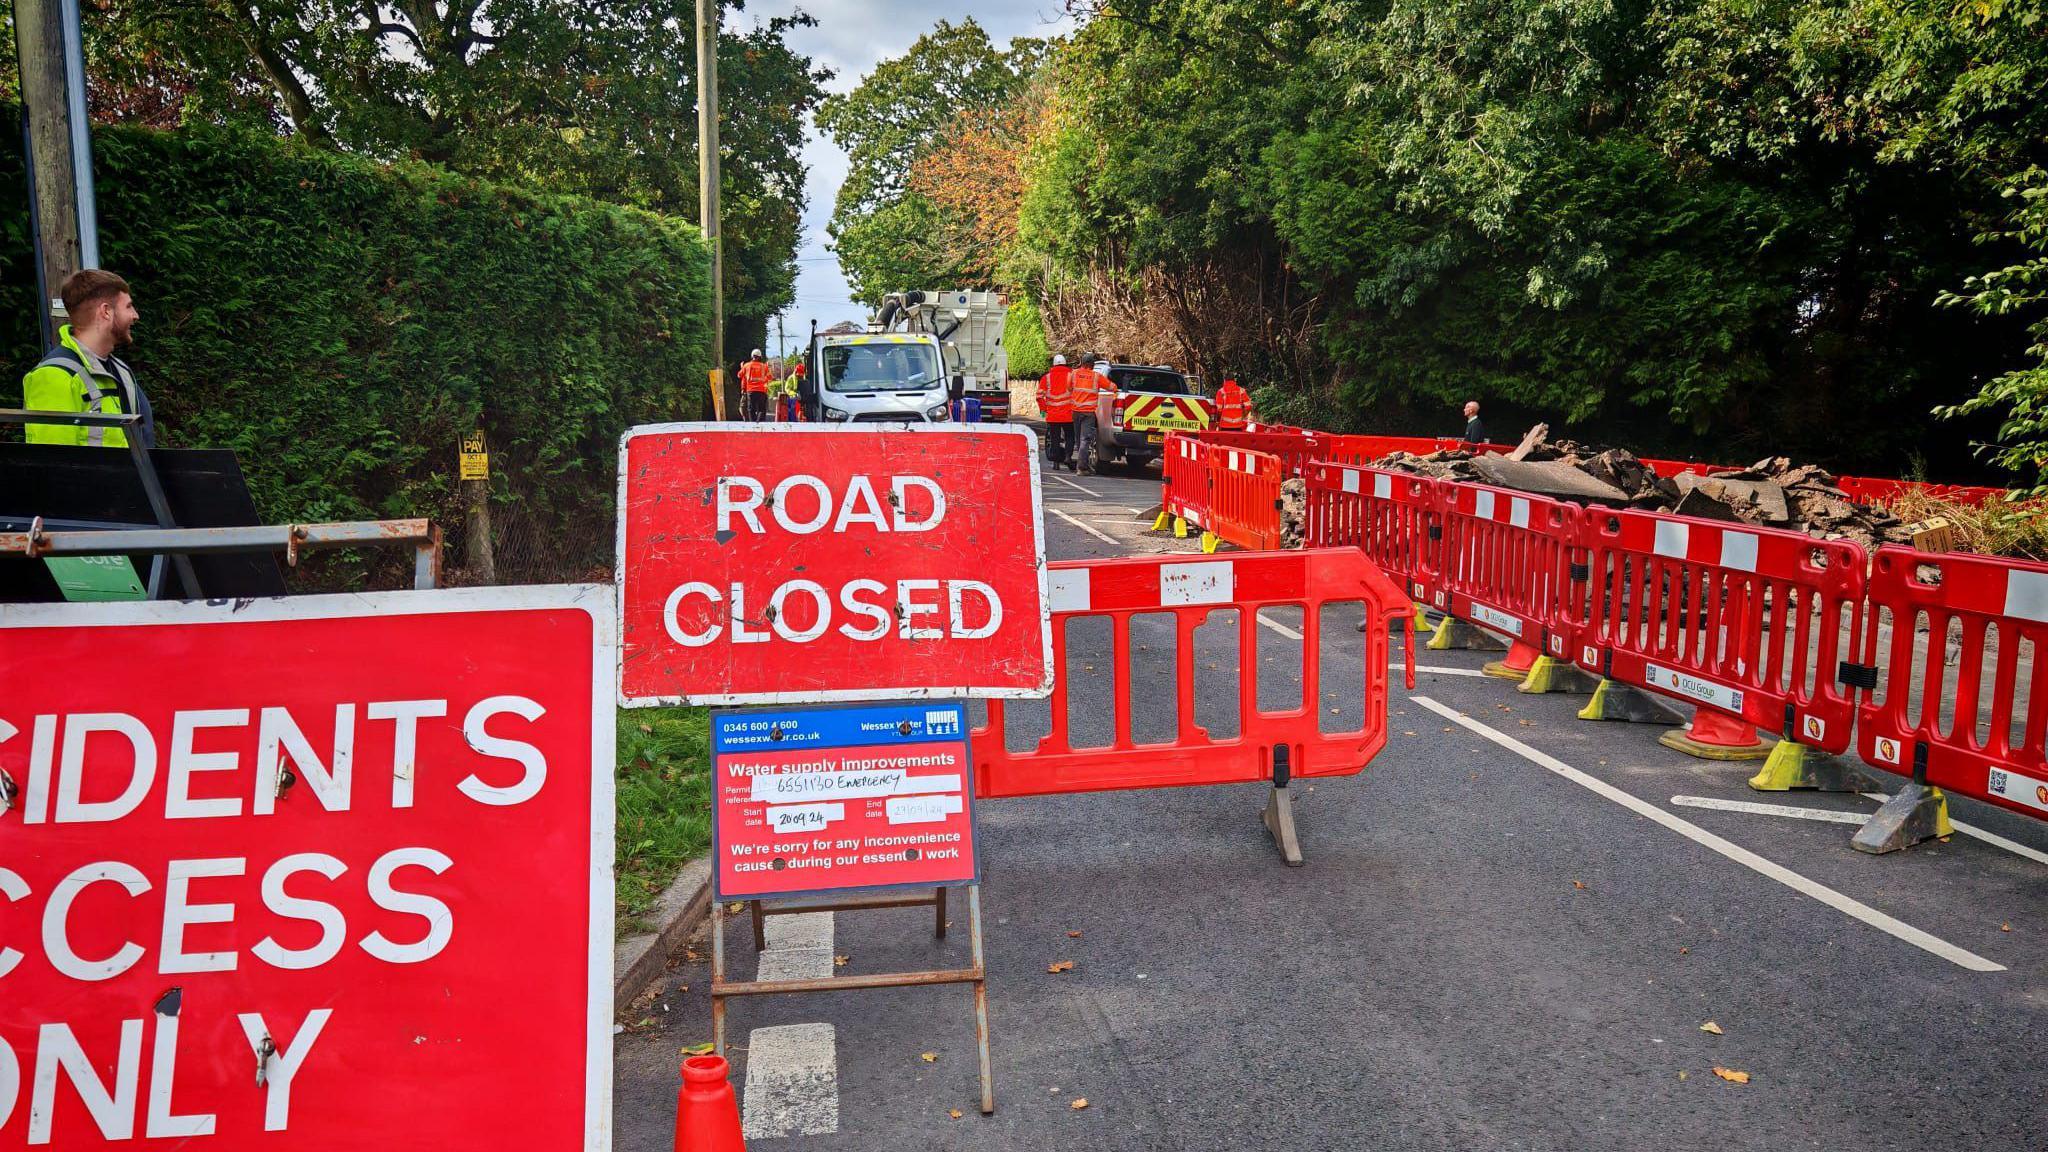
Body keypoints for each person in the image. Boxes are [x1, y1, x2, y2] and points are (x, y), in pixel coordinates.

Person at [21, 269, 154, 448]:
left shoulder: (121, 370)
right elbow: (52, 465)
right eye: (129, 306)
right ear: (106, 311)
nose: (135, 315)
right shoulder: (55, 376)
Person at [1069, 358, 1106, 474]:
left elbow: (1069, 388)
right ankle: (1081, 467)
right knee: (1085, 439)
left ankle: (1082, 464)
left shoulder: (1074, 374)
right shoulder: (1096, 376)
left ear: (1082, 363)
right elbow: (1111, 386)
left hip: (1075, 411)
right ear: (1091, 364)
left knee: (1079, 439)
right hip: (1088, 412)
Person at [1037, 354, 1074, 466]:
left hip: (1053, 414)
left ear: (1053, 364)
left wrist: (1043, 409)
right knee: (1070, 436)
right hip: (1068, 414)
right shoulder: (1071, 376)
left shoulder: (1046, 377)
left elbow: (1039, 396)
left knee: (1054, 438)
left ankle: (1056, 462)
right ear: (1065, 363)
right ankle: (1068, 456)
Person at [738, 349, 775, 422]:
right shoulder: (764, 366)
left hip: (751, 391)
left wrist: (743, 368)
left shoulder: (747, 365)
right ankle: (761, 425)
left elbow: (739, 375)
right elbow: (770, 377)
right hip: (762, 390)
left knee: (751, 409)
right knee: (762, 409)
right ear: (760, 357)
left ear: (752, 356)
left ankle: (753, 425)